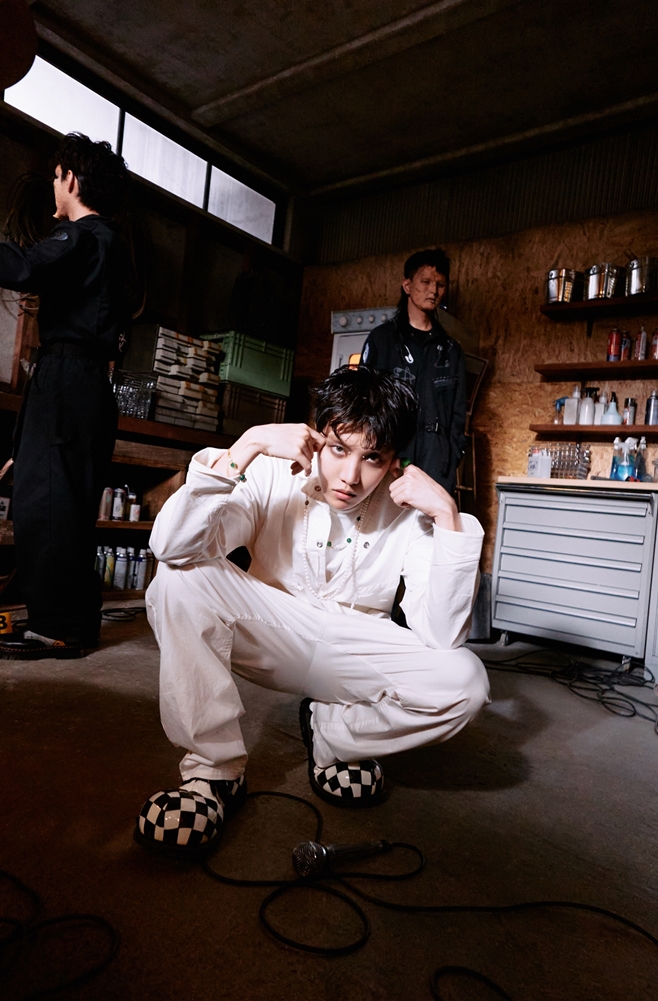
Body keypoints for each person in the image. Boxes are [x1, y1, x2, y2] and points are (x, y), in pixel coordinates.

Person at [136, 366, 489, 857]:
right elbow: (173, 546)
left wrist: (448, 517)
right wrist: (247, 445)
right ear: (317, 436)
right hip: (273, 627)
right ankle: (214, 774)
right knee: (179, 577)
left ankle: (334, 736)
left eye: (372, 458)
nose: (350, 476)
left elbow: (443, 635)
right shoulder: (270, 472)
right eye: (339, 449)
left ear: (393, 463)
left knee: (465, 682)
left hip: (354, 646)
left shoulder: (408, 512)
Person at [0, 132, 129, 658]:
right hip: (81, 383)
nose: (54, 186)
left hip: (67, 379)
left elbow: (25, 268)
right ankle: (68, 622)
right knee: (63, 504)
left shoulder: (83, 236)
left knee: (48, 506)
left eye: (56, 177)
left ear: (70, 179)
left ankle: (58, 626)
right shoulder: (110, 243)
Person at [361, 248, 467, 494]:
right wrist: (377, 451)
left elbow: (458, 416)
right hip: (389, 454)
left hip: (436, 459)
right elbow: (365, 402)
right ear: (407, 285)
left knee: (429, 518)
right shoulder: (382, 340)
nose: (433, 291)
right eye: (426, 282)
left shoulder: (451, 350)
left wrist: (451, 459)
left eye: (440, 285)